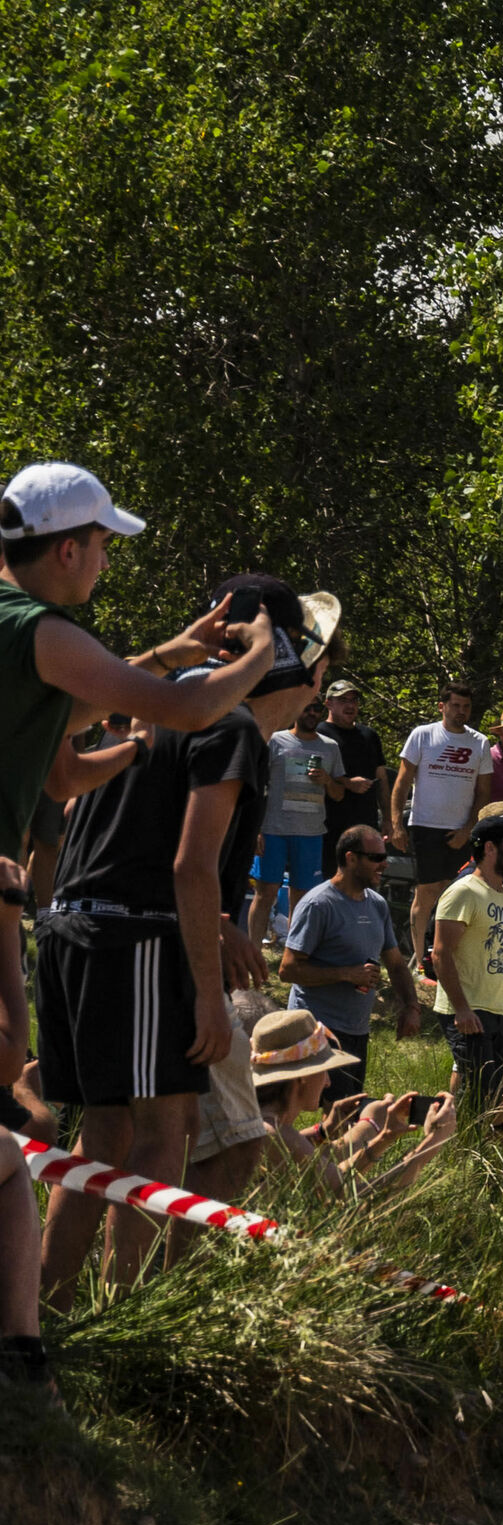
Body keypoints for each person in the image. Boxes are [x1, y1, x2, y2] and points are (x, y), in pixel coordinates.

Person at [2, 461, 276, 1380]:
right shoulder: (41, 628)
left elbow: (68, 769)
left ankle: (33, 1326)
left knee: (68, 1127)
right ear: (70, 547)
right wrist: (256, 658)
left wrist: (167, 653)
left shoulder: (26, 640)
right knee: (152, 1127)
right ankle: (120, 1331)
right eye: (104, 550)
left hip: (56, 919)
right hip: (108, 926)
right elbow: (188, 716)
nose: (105, 569)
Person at [31, 600, 305, 1303]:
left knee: (105, 1133)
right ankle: (127, 1311)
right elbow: (191, 864)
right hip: (136, 937)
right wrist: (211, 998)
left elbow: (74, 813)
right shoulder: (231, 722)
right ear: (289, 658)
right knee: (165, 1129)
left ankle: (44, 1311)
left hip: (69, 929)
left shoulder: (138, 709)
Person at [247, 1009, 455, 1200]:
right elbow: (350, 1196)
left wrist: (385, 1136)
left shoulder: (265, 1124)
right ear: (303, 1075)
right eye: (323, 1069)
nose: (328, 1081)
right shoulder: (275, 1135)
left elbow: (334, 1180)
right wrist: (433, 1141)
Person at [278, 825, 420, 1103]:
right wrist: (345, 974)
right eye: (376, 857)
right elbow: (288, 969)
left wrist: (411, 1006)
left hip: (357, 1029)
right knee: (332, 1114)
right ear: (351, 858)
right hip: (319, 1028)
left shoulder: (377, 904)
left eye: (384, 856)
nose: (384, 863)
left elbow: (396, 965)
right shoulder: (319, 905)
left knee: (347, 1112)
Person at [433, 814, 503, 1133]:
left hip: (498, 1011)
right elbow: (440, 953)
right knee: (476, 1091)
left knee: (489, 1095)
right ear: (490, 848)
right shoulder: (463, 892)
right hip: (466, 1010)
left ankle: (471, 1156)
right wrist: (461, 1008)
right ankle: (456, 1157)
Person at [392, 684, 488, 979]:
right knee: (427, 891)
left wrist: (468, 829)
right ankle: (421, 961)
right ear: (442, 706)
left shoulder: (479, 742)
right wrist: (395, 823)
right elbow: (402, 782)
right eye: (456, 705)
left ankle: (448, 958)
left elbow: (483, 793)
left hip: (462, 830)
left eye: (466, 707)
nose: (461, 712)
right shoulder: (423, 735)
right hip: (425, 825)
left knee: (457, 894)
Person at [249, 697, 348, 945]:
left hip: (311, 832)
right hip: (273, 829)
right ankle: (252, 953)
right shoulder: (275, 740)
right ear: (295, 710)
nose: (312, 713)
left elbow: (339, 794)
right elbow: (256, 786)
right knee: (265, 893)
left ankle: (294, 951)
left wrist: (327, 780)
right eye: (307, 708)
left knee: (302, 897)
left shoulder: (330, 746)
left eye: (317, 709)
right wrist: (255, 829)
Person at [314, 678, 387, 846]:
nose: (350, 705)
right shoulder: (318, 735)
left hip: (367, 825)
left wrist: (388, 820)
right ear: (328, 703)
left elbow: (381, 780)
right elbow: (312, 775)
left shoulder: (369, 735)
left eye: (354, 700)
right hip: (328, 826)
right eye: (343, 700)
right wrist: (348, 783)